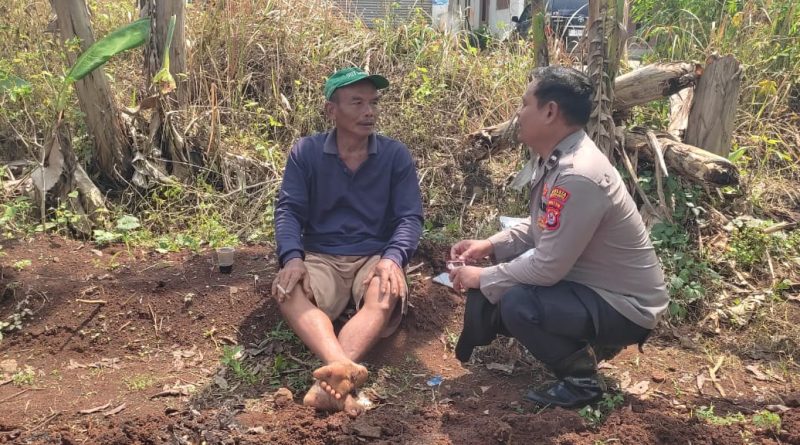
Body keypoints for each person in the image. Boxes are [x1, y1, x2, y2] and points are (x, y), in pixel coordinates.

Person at [448, 66, 669, 408]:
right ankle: (587, 346)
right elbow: (544, 225)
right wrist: (490, 245)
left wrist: (482, 277)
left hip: (626, 306)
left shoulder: (578, 174)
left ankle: (581, 383)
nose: (518, 113)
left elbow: (547, 267)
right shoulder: (559, 158)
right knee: (506, 282)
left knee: (518, 302)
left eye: (525, 104)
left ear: (550, 111)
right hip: (597, 290)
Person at [271, 67, 424, 416]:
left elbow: (409, 217)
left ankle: (328, 384)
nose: (369, 111)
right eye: (357, 103)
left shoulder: (394, 155)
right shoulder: (305, 153)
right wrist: (292, 258)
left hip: (374, 255)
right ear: (331, 110)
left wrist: (392, 258)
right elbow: (289, 210)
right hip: (320, 255)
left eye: (373, 103)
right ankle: (341, 371)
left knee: (385, 289)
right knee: (287, 289)